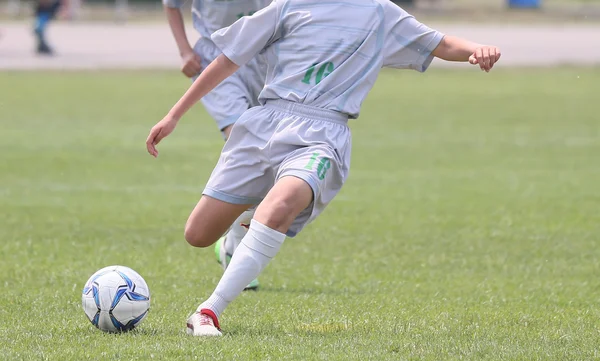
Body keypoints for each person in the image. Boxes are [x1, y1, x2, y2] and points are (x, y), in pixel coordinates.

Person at [146, 0, 501, 337]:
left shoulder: (379, 12)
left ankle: (209, 311)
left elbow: (439, 43)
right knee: (198, 234)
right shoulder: (288, 6)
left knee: (282, 204)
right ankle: (245, 222)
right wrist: (174, 115)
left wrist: (476, 49)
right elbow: (228, 59)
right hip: (264, 124)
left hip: (322, 134)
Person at [163, 0, 273, 290]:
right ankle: (234, 244)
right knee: (244, 141)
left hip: (265, 60)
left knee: (270, 160)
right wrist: (185, 50)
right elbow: (171, 5)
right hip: (217, 58)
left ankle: (233, 242)